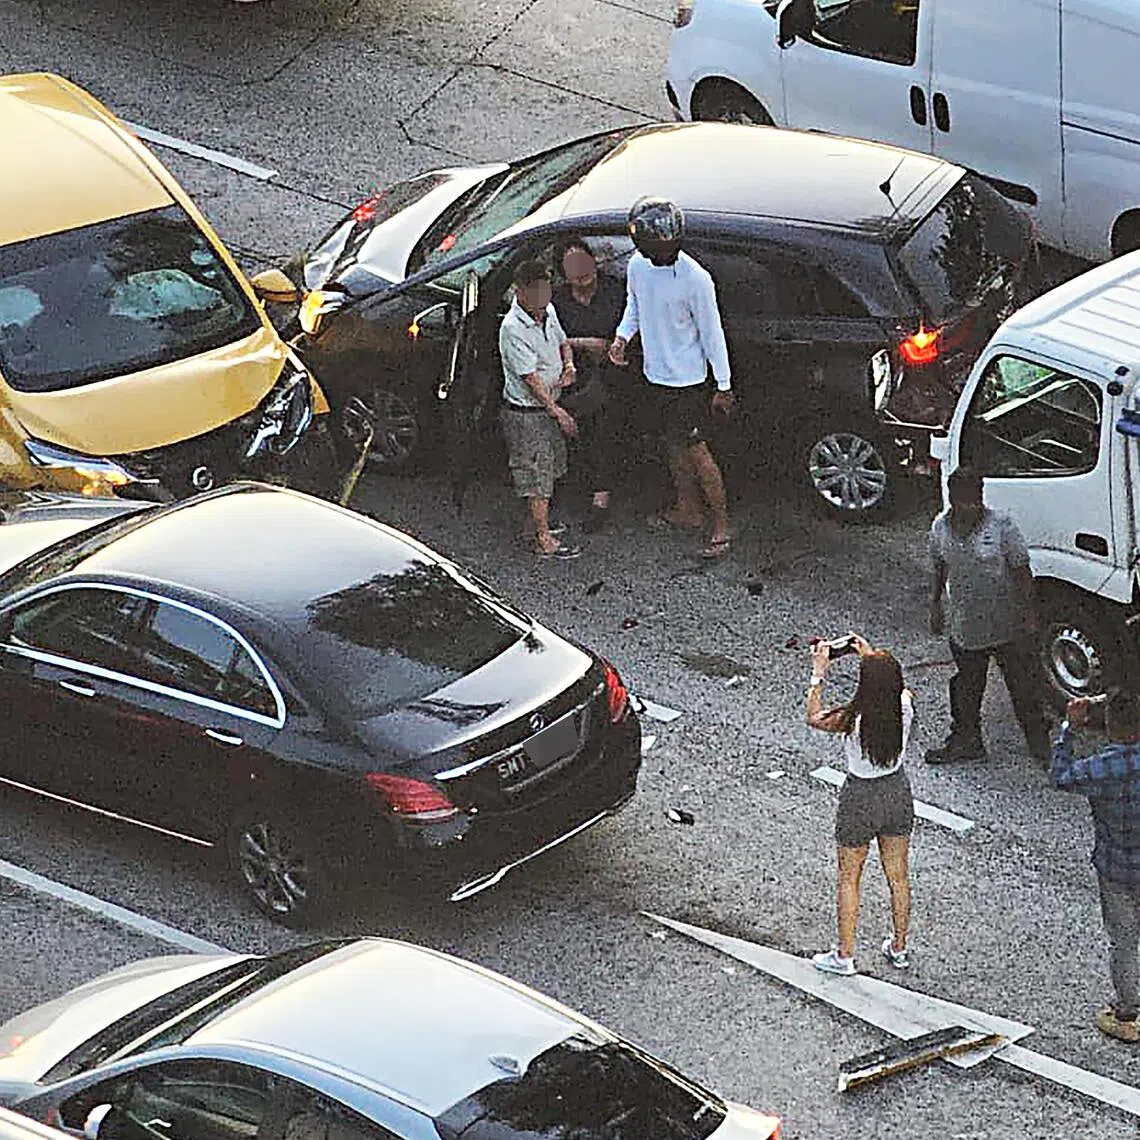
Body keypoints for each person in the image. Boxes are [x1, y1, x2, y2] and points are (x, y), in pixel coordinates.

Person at [607, 197, 735, 559]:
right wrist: (622, 336)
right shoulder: (638, 267)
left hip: (688, 382)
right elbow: (635, 302)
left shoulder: (696, 279)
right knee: (672, 444)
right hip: (656, 375)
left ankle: (722, 527)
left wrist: (723, 384)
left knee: (698, 451)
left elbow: (713, 334)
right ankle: (687, 509)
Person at [806, 633, 916, 976]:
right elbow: (889, 683)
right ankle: (899, 947)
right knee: (898, 876)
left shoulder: (852, 719)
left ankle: (844, 954)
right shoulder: (905, 704)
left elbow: (813, 716)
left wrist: (818, 673)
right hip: (897, 791)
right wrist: (867, 653)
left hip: (860, 797)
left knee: (849, 878)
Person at [926, 465, 1050, 765]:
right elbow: (940, 566)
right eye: (964, 499)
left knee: (1024, 689)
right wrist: (936, 605)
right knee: (967, 688)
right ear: (952, 498)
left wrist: (1029, 614)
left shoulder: (1002, 527)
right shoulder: (940, 528)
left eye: (976, 497)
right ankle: (966, 741)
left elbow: (1022, 571)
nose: (972, 505)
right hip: (967, 625)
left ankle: (1041, 748)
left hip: (1009, 625)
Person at [1053, 689, 1140, 1042]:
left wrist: (1068, 729)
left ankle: (1128, 1012)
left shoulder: (1099, 769)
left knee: (1123, 941)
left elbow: (1059, 776)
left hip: (1115, 868)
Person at [498, 260, 582, 559]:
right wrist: (557, 412)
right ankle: (542, 539)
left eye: (545, 288)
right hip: (528, 415)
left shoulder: (549, 311)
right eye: (535, 290)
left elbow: (563, 342)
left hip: (548, 406)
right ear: (520, 292)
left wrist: (569, 365)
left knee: (551, 469)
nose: (543, 295)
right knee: (536, 476)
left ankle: (532, 526)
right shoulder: (512, 329)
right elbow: (529, 378)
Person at [552, 237, 628, 531]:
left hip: (615, 373)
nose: (580, 271)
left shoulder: (614, 292)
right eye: (572, 266)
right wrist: (581, 344)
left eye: (583, 261)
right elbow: (553, 338)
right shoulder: (558, 301)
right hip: (572, 374)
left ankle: (601, 497)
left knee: (603, 418)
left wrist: (608, 347)